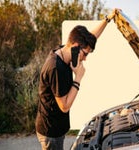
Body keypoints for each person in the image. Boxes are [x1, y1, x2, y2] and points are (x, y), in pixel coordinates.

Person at [35, 10, 116, 150]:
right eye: (85, 54)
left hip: (58, 126)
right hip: (51, 132)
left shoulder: (66, 51)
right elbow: (64, 106)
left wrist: (107, 19)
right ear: (75, 47)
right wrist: (78, 77)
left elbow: (92, 37)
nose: (85, 58)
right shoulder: (55, 68)